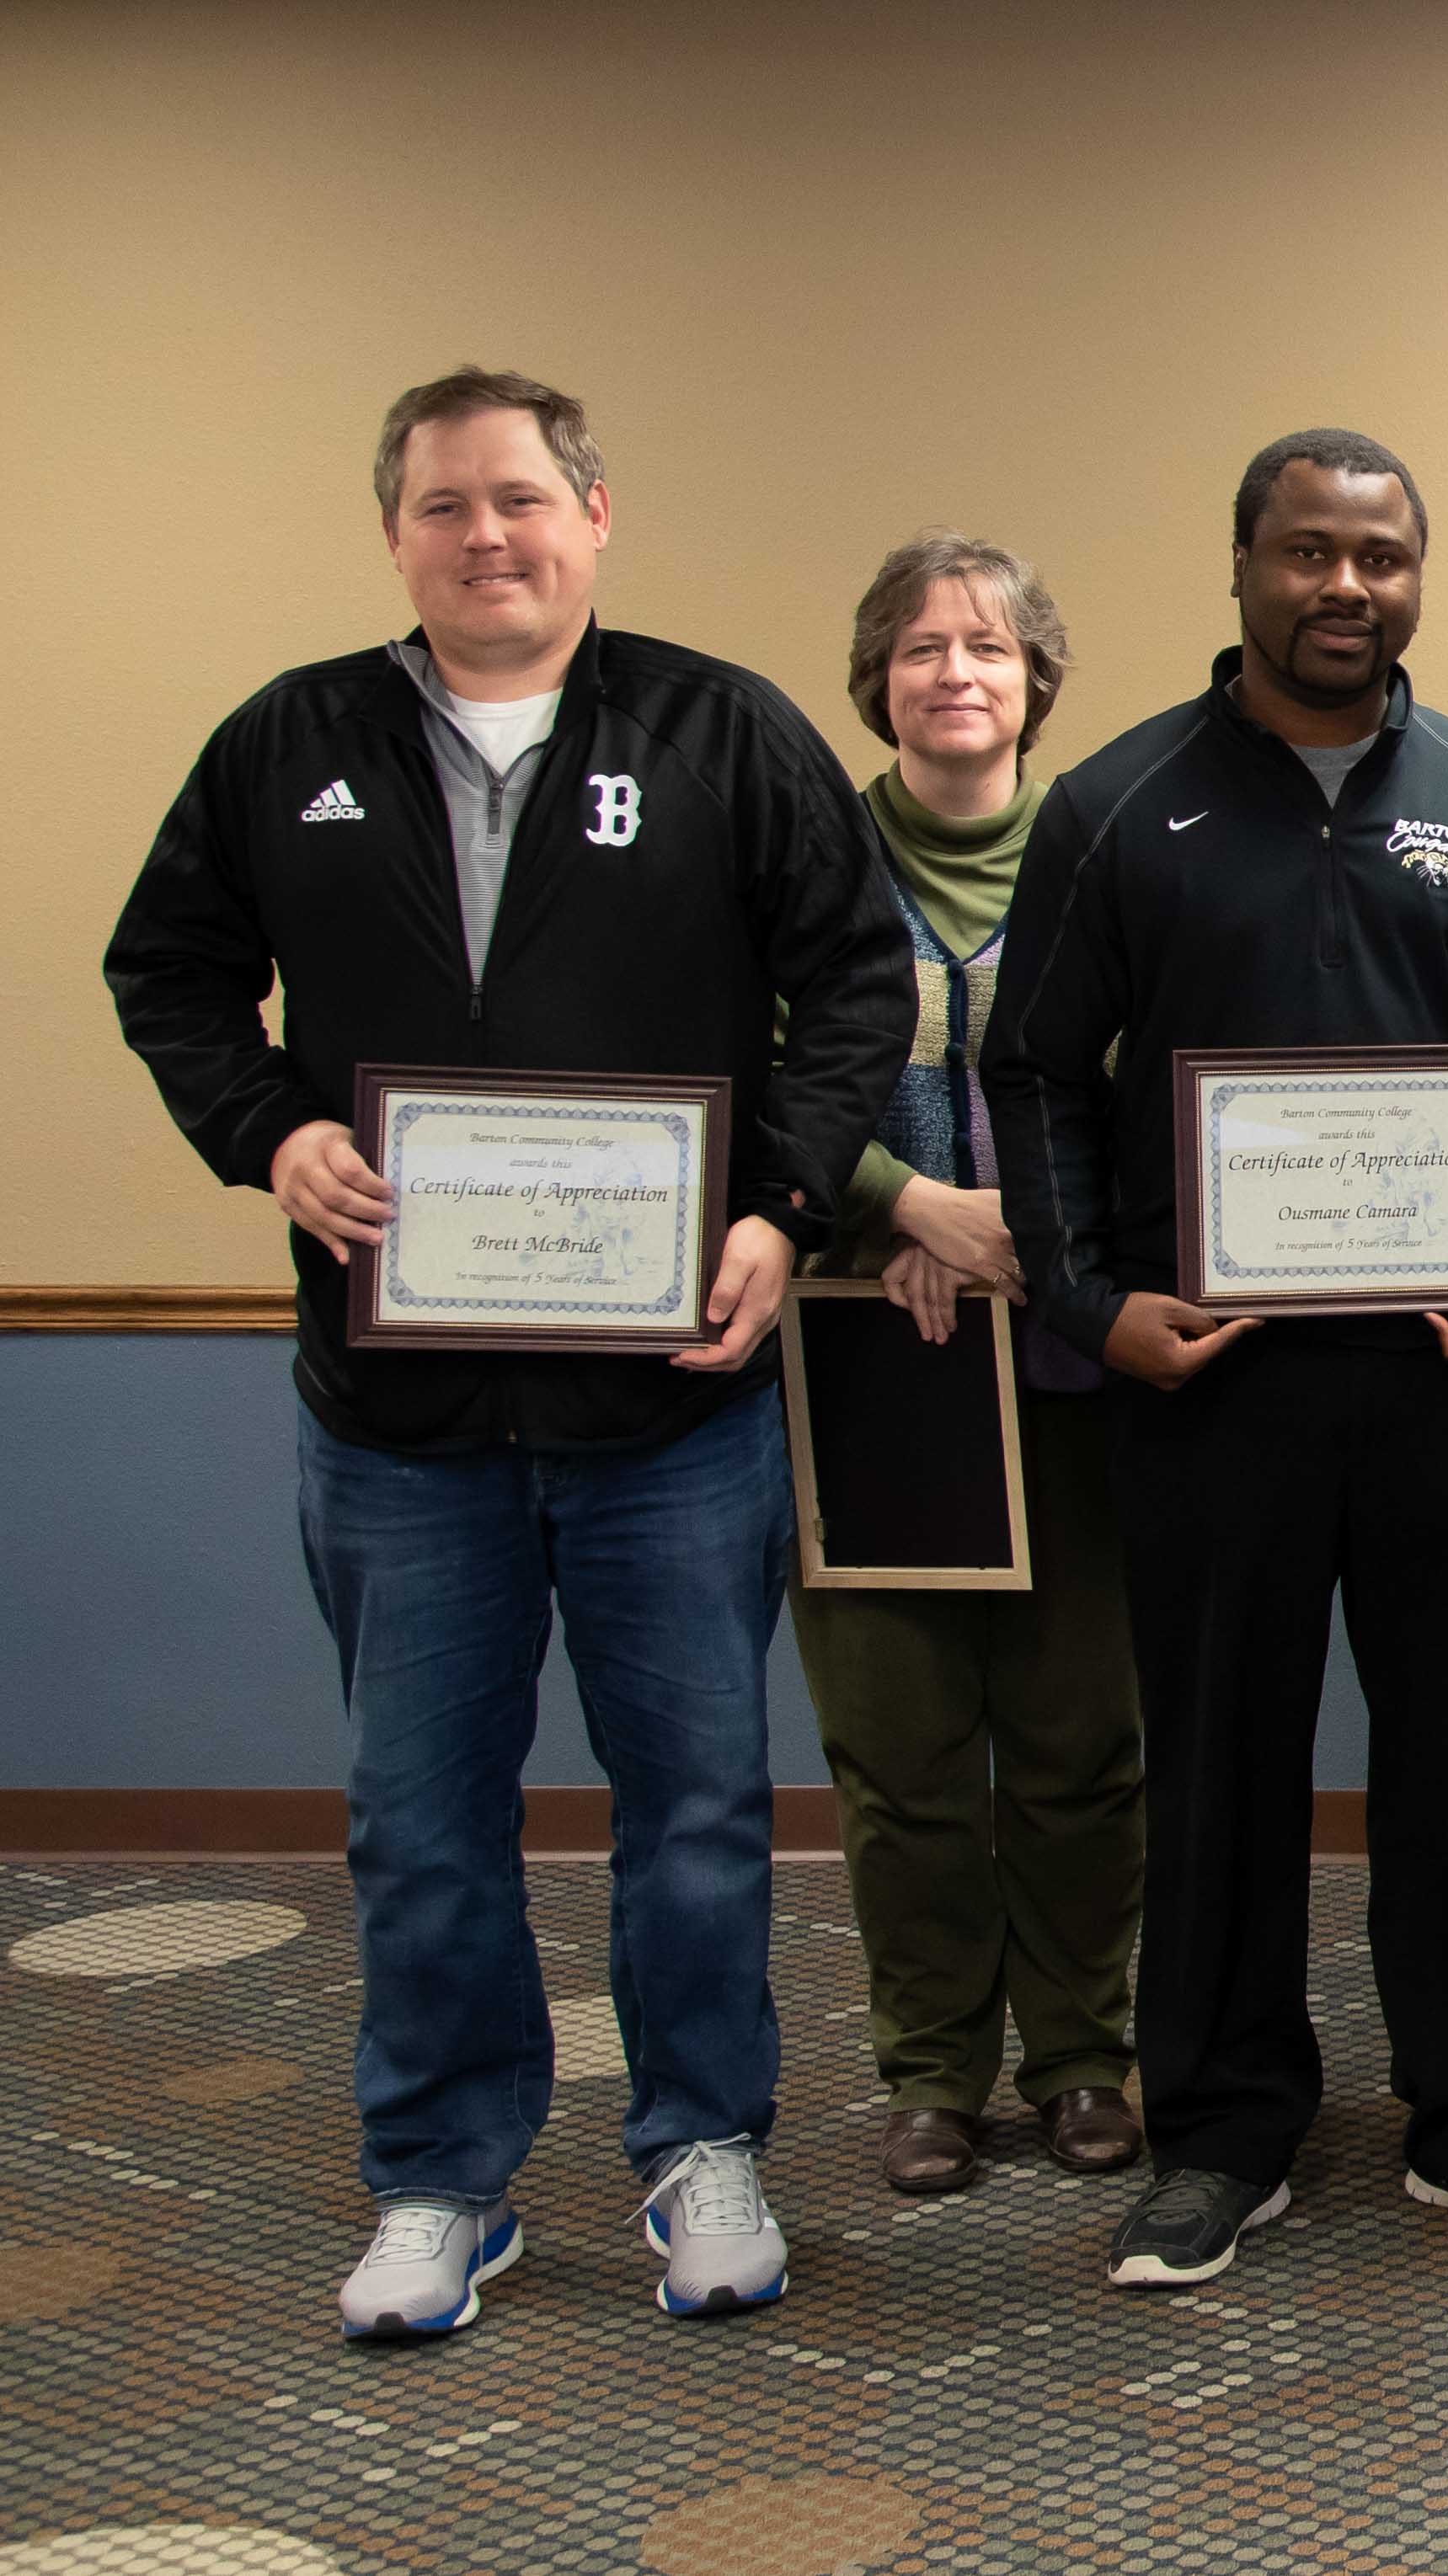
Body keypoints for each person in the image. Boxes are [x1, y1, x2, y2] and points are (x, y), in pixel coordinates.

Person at [104, 367, 908, 2338]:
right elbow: (171, 970)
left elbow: (856, 981)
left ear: (596, 516)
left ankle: (701, 2147)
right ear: (398, 532)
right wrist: (271, 1130)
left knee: (702, 1808)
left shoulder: (720, 729)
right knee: (421, 1819)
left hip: (670, 1410)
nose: (490, 535)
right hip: (399, 1416)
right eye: (448, 505)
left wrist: (776, 1208)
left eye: (524, 500)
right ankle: (441, 2180)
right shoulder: (290, 739)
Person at [986, 428, 1448, 2288]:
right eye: (1309, 554)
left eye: (1382, 557)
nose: (1347, 587)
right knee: (1221, 1760)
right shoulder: (1117, 806)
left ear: (1419, 575)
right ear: (1243, 566)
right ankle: (1225, 2126)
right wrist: (1090, 1301)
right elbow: (1030, 1076)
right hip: (1212, 1379)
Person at [796, 532, 1149, 2199]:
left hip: (1073, 1356)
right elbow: (746, 1064)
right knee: (903, 1746)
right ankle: (933, 2068)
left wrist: (1037, 1228)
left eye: (988, 648)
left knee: (1081, 1739)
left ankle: (1086, 2056)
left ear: (1035, 680)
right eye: (922, 646)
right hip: (866, 1357)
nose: (955, 673)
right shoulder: (800, 855)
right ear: (878, 677)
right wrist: (904, 1204)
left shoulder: (1109, 854)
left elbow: (1165, 1085)